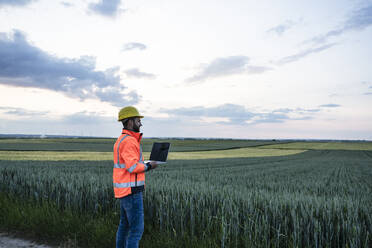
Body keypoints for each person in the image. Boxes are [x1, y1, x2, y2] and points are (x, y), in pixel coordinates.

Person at [113, 106, 158, 248]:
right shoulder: (129, 141)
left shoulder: (122, 139)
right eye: (138, 120)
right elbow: (132, 167)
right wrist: (149, 166)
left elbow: (130, 164)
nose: (140, 123)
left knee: (124, 226)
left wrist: (144, 163)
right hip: (132, 191)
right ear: (130, 122)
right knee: (136, 230)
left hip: (126, 191)